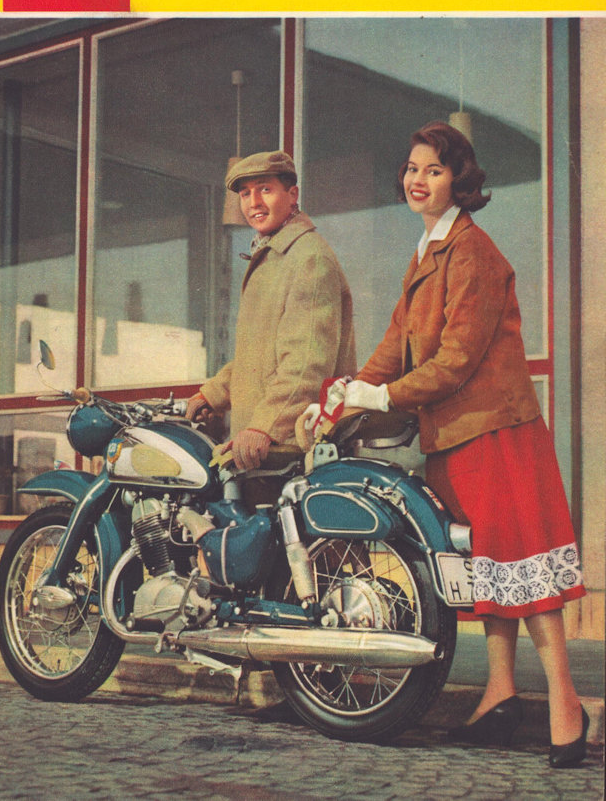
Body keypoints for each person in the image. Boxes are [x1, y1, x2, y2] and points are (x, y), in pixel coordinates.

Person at [310, 122, 588, 768]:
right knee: (490, 570)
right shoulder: (430, 249)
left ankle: (566, 706)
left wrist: (382, 396)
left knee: (524, 569)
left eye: (432, 170)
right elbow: (397, 342)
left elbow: (457, 359)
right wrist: (350, 390)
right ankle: (500, 695)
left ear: (458, 180)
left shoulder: (472, 253)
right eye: (412, 168)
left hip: (496, 432)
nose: (417, 180)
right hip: (458, 437)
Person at [187, 149, 356, 472]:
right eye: (245, 194)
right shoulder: (274, 256)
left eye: (265, 189)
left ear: (292, 195)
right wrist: (212, 394)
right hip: (263, 447)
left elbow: (306, 364)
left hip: (290, 450)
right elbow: (259, 355)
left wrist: (264, 426)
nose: (254, 203)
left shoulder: (308, 258)